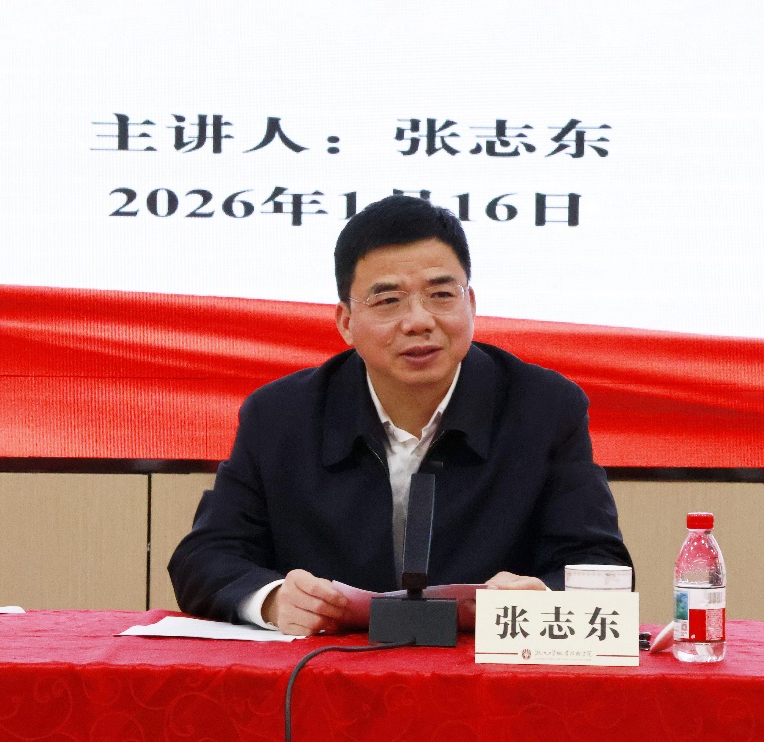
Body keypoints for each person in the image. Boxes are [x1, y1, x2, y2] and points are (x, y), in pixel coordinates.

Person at [169, 195, 630, 635]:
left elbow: (600, 564)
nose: (419, 321)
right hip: (330, 672)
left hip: (486, 674)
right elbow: (206, 556)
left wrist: (544, 596)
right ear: (346, 322)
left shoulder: (544, 408)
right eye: (388, 300)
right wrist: (272, 600)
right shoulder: (280, 416)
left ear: (470, 304)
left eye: (441, 294)